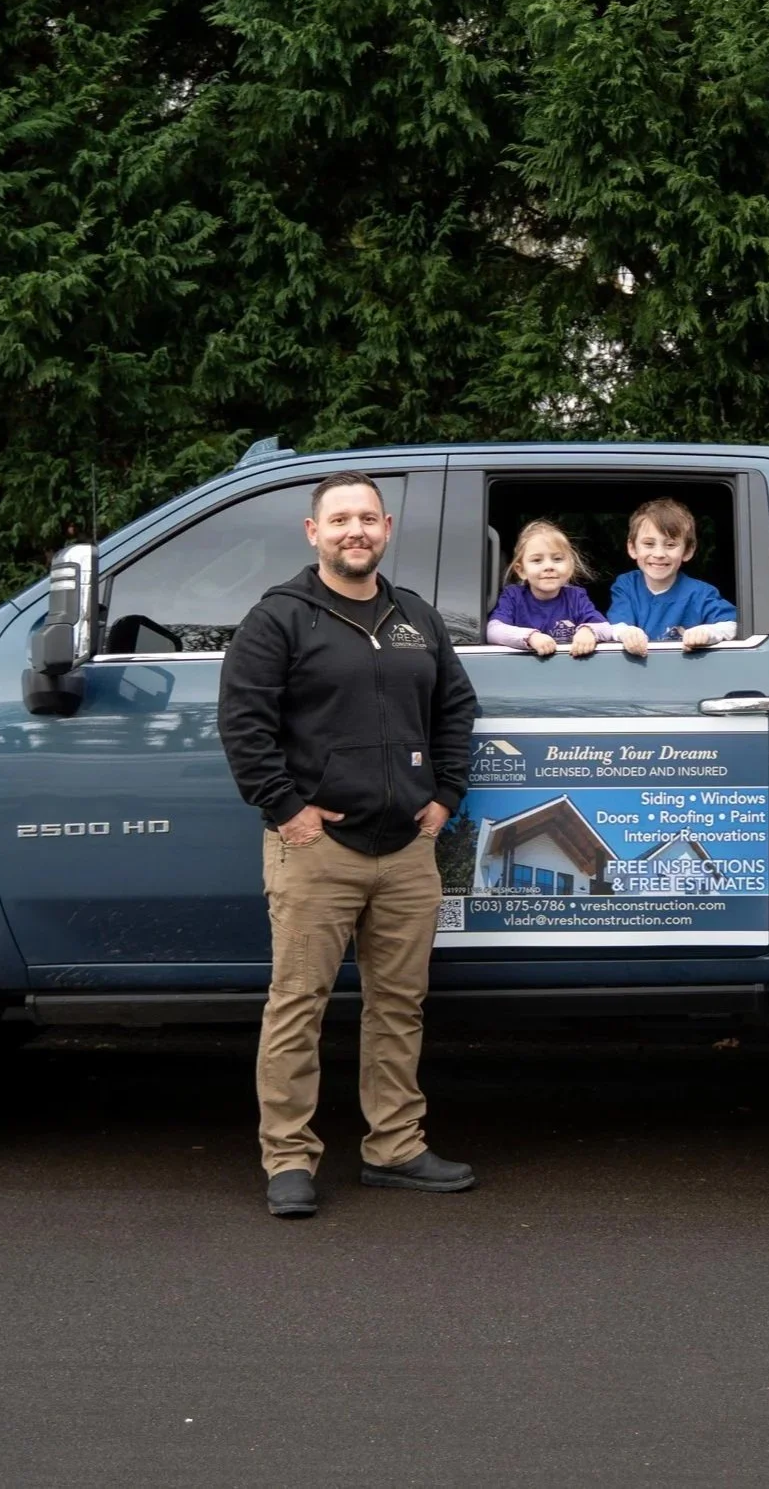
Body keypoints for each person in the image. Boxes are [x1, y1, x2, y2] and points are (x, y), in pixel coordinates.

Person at [218, 470, 479, 1219]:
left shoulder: (414, 617)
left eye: (367, 518)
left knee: (399, 1004)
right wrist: (286, 810)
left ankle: (394, 1146)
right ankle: (288, 1158)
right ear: (314, 532)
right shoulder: (278, 618)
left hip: (404, 850)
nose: (354, 531)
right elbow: (244, 722)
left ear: (386, 528)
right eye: (339, 520)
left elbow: (455, 706)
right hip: (317, 851)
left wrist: (445, 797)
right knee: (296, 1004)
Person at [605, 497, 738, 656]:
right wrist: (627, 633)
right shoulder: (626, 585)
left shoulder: (701, 593)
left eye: (670, 545)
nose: (659, 554)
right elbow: (615, 626)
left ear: (688, 551)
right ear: (632, 548)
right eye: (649, 544)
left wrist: (708, 632)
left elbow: (733, 624)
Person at [486, 520, 612, 657]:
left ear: (570, 568)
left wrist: (588, 631)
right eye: (537, 560)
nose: (548, 566)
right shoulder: (513, 596)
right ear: (521, 570)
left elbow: (605, 628)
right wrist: (530, 637)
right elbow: (493, 631)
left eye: (557, 559)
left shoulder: (576, 597)